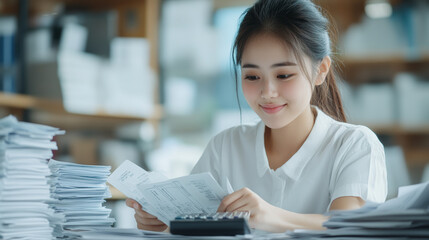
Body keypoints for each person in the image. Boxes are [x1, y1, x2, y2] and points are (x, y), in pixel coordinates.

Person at [126, 0, 387, 233]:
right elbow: (194, 226)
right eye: (252, 76)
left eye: (283, 75)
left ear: (321, 70)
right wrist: (164, 221)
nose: (267, 93)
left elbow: (352, 227)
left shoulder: (355, 145)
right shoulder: (225, 146)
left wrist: (271, 216)